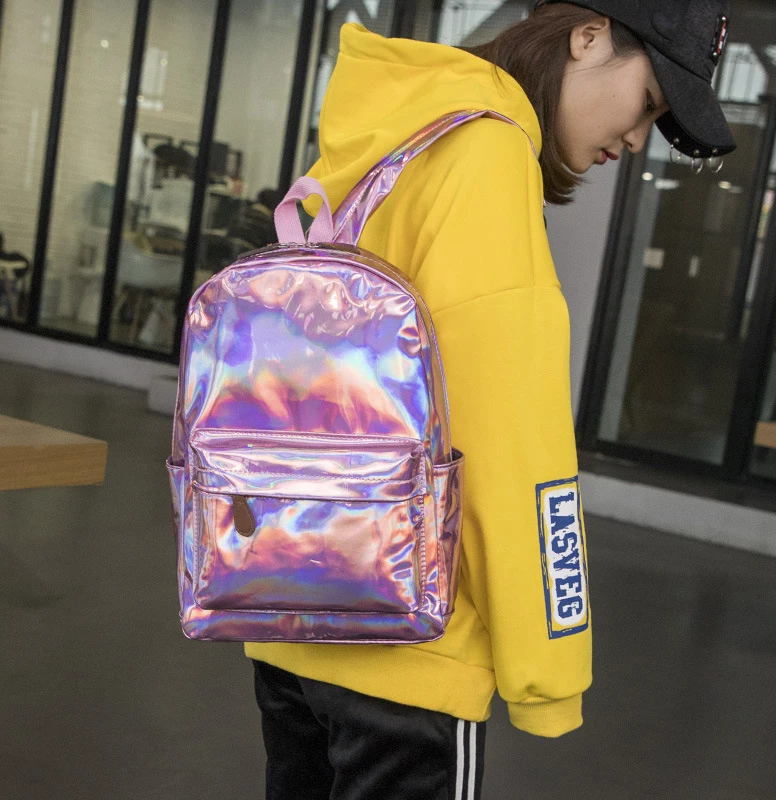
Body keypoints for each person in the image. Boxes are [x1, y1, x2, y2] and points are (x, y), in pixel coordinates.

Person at [245, 2, 736, 798]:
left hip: (289, 601)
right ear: (588, 36)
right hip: (411, 649)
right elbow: (510, 438)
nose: (638, 139)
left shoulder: (395, 130)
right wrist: (551, 668)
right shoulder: (489, 153)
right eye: (648, 102)